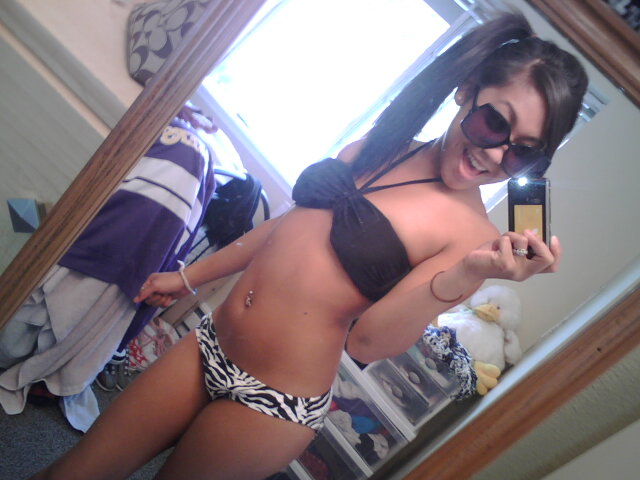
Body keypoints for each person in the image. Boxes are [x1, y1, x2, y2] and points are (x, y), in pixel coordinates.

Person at [30, 11, 588, 480]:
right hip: (210, 344)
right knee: (73, 471)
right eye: (494, 124)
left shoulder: (473, 237)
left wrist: (467, 273)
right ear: (466, 90)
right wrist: (189, 277)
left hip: (273, 405)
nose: (495, 155)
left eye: (522, 151)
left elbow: (369, 341)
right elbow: (288, 229)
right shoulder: (384, 144)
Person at [0, 104, 216, 431]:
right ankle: (58, 366)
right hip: (122, 250)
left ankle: (52, 361)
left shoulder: (194, 150)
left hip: (111, 245)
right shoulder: (189, 149)